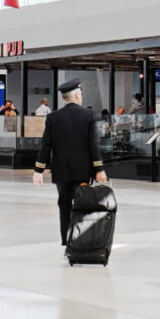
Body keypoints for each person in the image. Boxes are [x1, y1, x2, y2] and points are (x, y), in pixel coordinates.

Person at [32, 79, 107, 248]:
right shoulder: (89, 115)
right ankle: (79, 239)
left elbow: (46, 144)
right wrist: (99, 169)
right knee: (81, 204)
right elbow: (93, 145)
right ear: (78, 95)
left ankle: (66, 241)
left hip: (61, 172)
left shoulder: (53, 117)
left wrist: (39, 169)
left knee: (64, 204)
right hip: (82, 171)